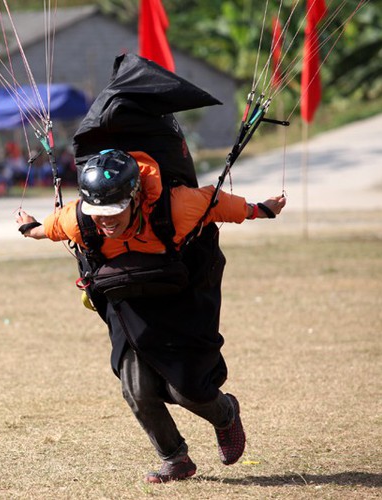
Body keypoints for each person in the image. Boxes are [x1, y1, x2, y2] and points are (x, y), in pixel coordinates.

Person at [15, 149, 286, 484]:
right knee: (136, 388)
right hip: (126, 306)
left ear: (135, 196)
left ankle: (225, 413)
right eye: (99, 213)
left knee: (187, 389)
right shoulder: (79, 218)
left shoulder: (175, 206)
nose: (106, 221)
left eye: (115, 211)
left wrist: (261, 210)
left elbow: (218, 205)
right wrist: (29, 228)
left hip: (179, 300)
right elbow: (48, 228)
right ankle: (175, 459)